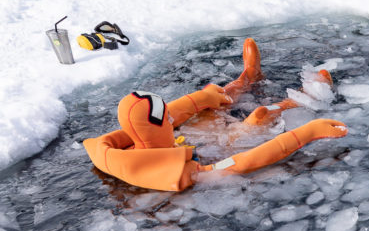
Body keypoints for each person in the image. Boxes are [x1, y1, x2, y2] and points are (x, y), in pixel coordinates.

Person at [83, 39, 347, 192]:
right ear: (157, 125)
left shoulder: (117, 145)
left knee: (208, 107)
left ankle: (246, 78)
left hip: (182, 144)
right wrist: (306, 133)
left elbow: (162, 116)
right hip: (213, 153)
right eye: (167, 119)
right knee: (246, 129)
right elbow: (239, 162)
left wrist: (200, 99)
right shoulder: (182, 174)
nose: (172, 118)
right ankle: (301, 99)